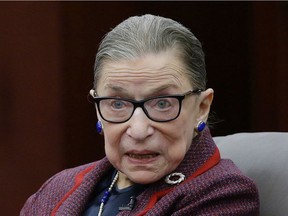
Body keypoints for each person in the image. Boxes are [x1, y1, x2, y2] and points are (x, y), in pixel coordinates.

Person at [21, 14, 259, 215]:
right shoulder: (57, 190)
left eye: (163, 103)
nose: (138, 130)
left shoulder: (224, 195)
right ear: (98, 109)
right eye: (117, 103)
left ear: (201, 108)